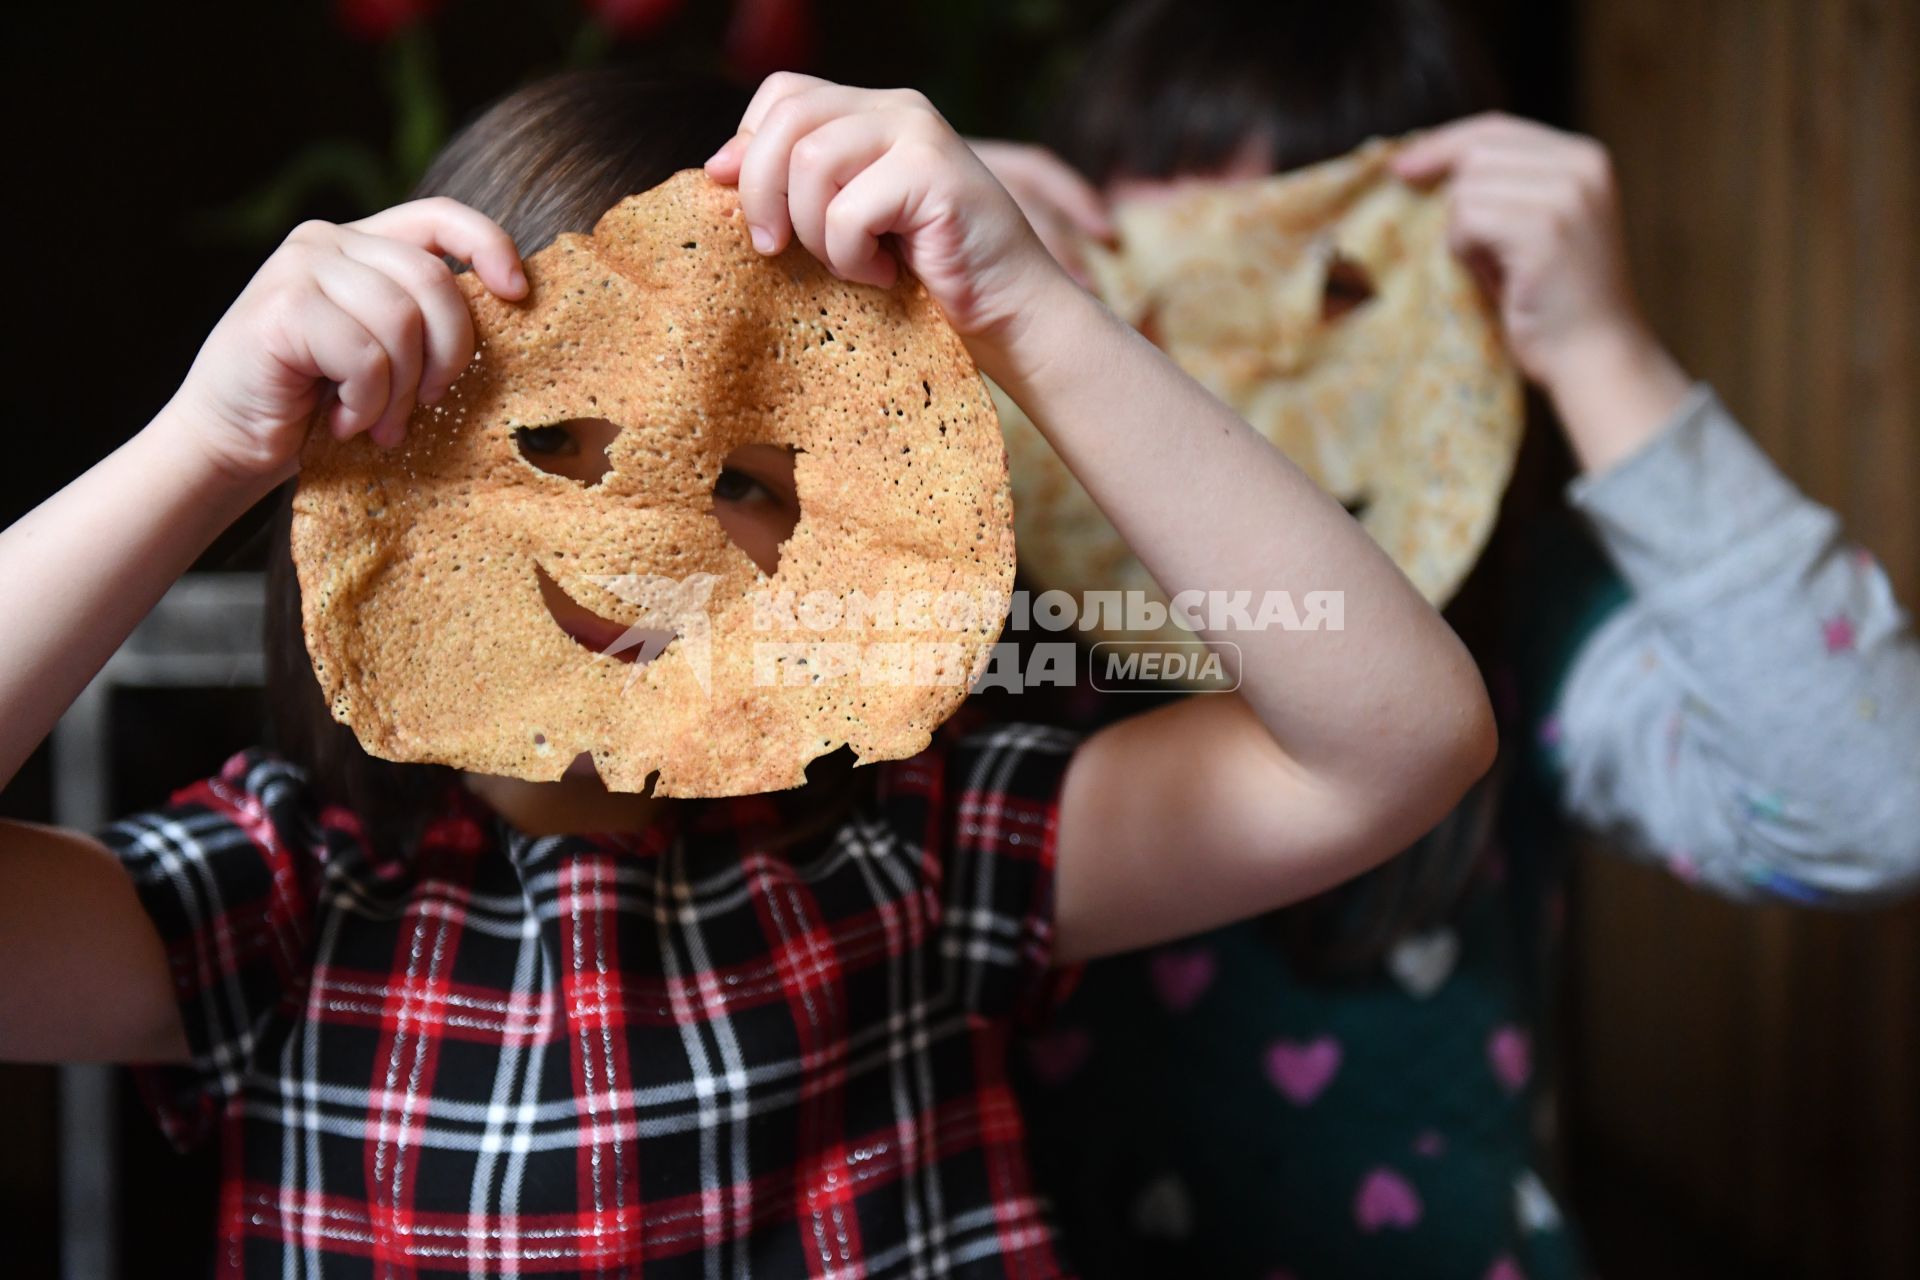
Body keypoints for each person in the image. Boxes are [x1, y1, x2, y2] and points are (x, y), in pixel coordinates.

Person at [0, 67, 1496, 1276]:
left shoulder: (919, 851)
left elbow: (1395, 743)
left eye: (750, 478)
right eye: (546, 441)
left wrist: (1034, 320)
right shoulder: (285, 897)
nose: (647, 533)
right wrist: (205, 452)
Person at [971, 2, 1920, 1277]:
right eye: (1153, 302)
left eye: (1341, 287)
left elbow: (1871, 804)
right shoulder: (971, 607)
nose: (1237, 377)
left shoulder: (1518, 611)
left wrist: (1601, 348)